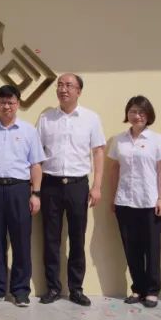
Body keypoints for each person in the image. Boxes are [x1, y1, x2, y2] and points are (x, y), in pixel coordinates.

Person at [0, 84, 45, 307]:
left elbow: (36, 164)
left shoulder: (28, 130)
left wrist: (36, 193)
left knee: (21, 241)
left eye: (11, 102)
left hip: (19, 189)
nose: (6, 106)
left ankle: (20, 290)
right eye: (2, 102)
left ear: (18, 104)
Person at [35, 73, 106, 307]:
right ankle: (53, 287)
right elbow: (36, 154)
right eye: (60, 85)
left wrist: (97, 186)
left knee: (77, 238)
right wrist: (35, 189)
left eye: (68, 85)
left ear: (78, 91)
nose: (63, 89)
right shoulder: (46, 118)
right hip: (50, 184)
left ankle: (76, 288)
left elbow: (98, 152)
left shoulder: (91, 118)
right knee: (50, 239)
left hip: (78, 185)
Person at [106, 96, 161, 308]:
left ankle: (152, 290)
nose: (137, 115)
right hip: (125, 201)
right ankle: (138, 288)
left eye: (142, 112)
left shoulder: (157, 140)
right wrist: (114, 197)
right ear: (128, 114)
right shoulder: (119, 140)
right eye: (133, 111)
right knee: (131, 248)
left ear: (148, 115)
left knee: (151, 248)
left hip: (150, 202)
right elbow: (114, 169)